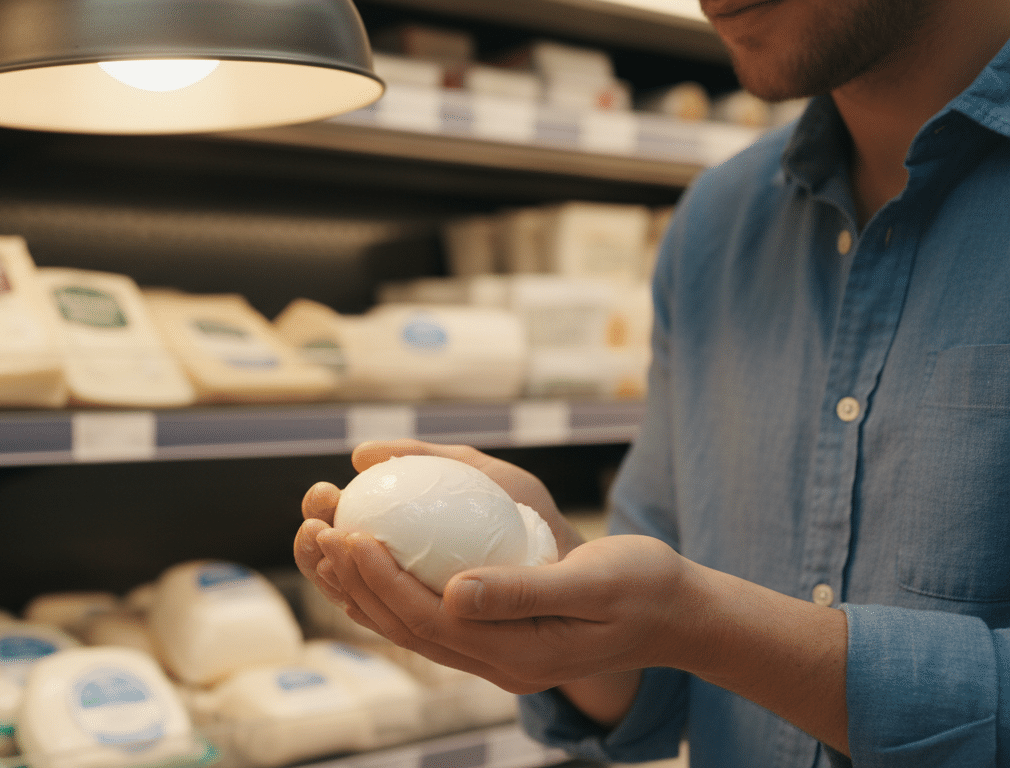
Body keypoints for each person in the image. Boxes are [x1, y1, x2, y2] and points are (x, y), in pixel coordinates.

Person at [293, 0, 1010, 765]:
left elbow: (697, 633)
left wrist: (704, 624)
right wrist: (556, 598)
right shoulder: (719, 221)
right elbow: (657, 686)